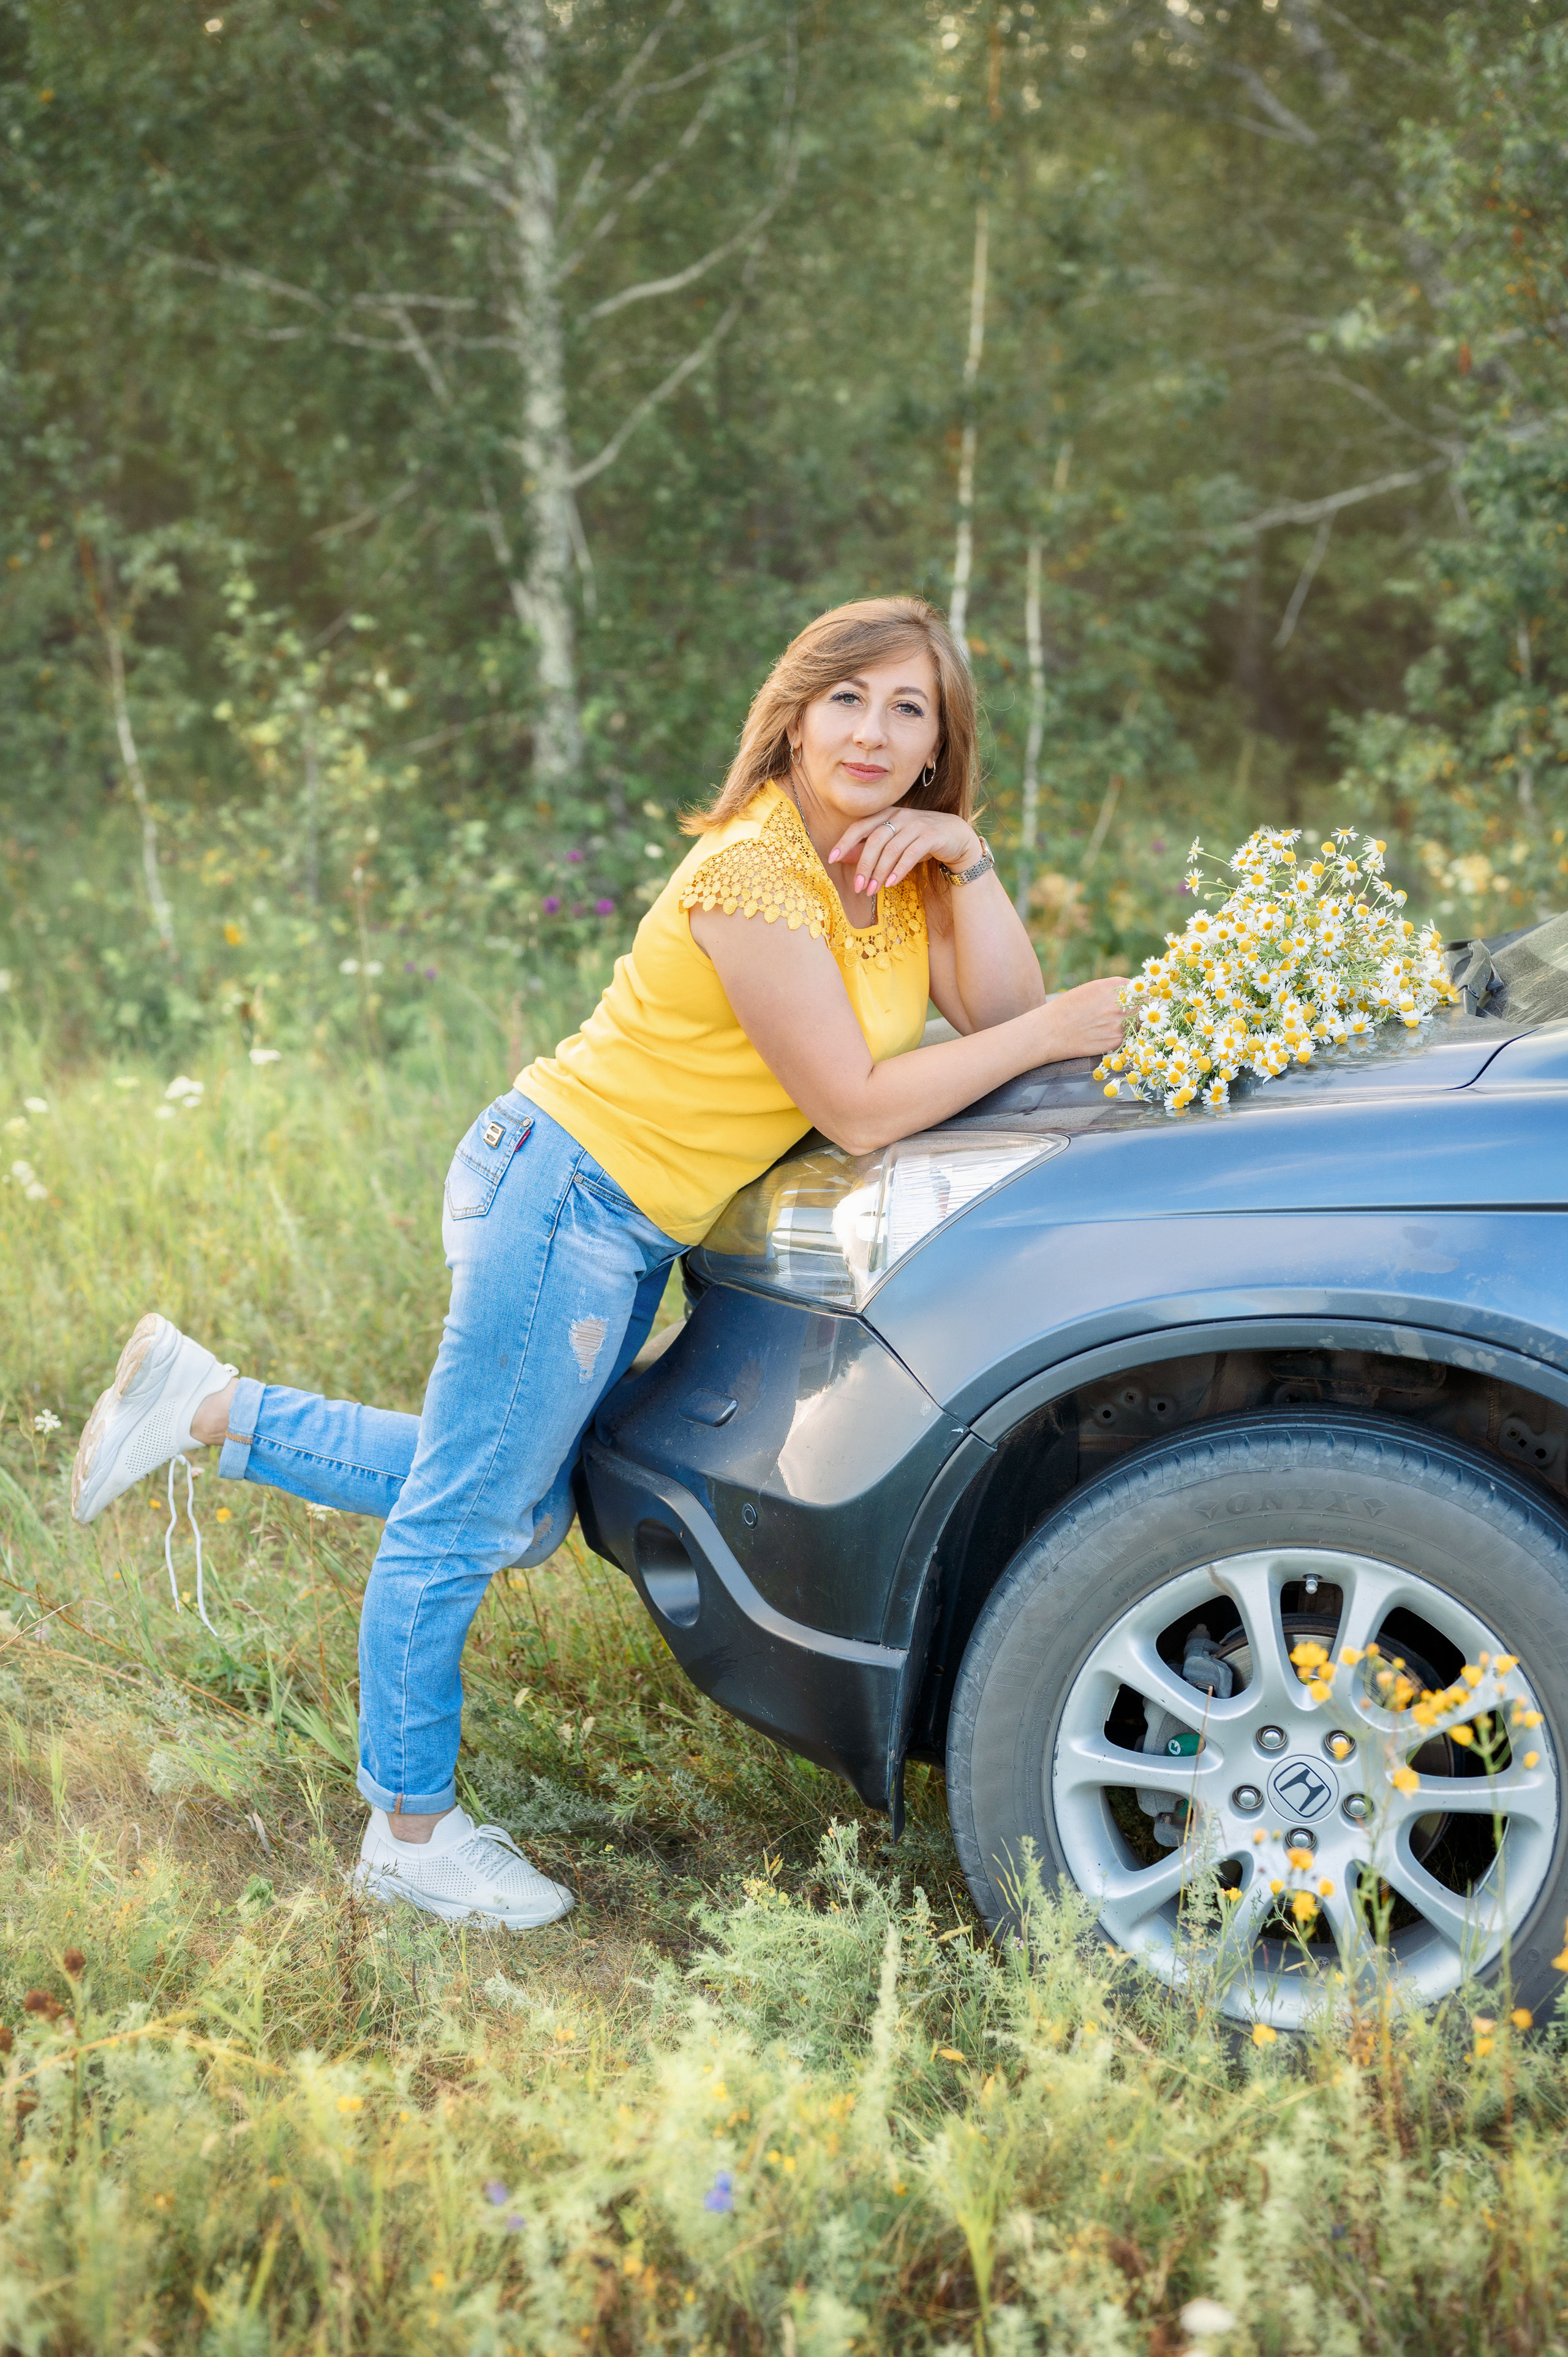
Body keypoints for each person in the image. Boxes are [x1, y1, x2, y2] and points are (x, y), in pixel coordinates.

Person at [70, 595, 1126, 1930]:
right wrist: (1048, 1035)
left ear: (937, 744)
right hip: (565, 1188)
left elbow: (1011, 1016)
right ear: (792, 717)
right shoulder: (753, 873)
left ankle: (209, 1406)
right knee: (469, 1518)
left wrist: (966, 859)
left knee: (516, 1504)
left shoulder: (900, 868)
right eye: (845, 698)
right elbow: (866, 1101)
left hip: (632, 1216)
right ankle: (407, 1832)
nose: (871, 729)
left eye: (907, 707)